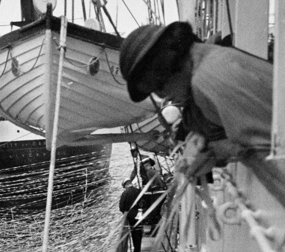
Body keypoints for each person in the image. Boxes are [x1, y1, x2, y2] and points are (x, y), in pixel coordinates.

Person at [119, 21, 283, 205]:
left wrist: (215, 152)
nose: (162, 96)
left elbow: (276, 156)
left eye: (158, 86)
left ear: (166, 66)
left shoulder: (207, 79)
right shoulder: (214, 60)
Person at [118, 179, 142, 252]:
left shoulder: (125, 193)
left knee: (134, 234)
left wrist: (126, 213)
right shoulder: (139, 190)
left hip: (131, 216)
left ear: (125, 185)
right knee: (139, 232)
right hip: (140, 214)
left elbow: (121, 207)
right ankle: (138, 251)